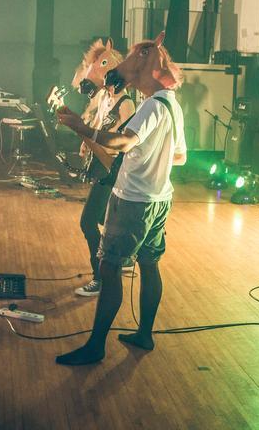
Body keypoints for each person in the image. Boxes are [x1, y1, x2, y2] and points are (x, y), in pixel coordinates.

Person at [55, 32, 186, 365]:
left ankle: (95, 346)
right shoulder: (172, 105)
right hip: (159, 199)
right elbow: (180, 156)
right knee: (149, 264)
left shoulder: (152, 105)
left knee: (110, 267)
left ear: (145, 70)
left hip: (133, 201)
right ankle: (144, 334)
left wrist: (81, 128)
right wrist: (152, 158)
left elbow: (124, 143)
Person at [75, 87, 136, 296]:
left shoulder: (126, 103)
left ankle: (100, 277)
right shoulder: (106, 99)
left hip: (110, 168)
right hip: (100, 165)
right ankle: (122, 258)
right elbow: (98, 127)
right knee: (104, 217)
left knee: (88, 222)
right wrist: (86, 140)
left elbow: (126, 143)